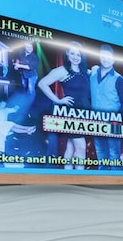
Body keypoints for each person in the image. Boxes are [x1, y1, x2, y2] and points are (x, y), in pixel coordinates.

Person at [37, 41, 91, 169]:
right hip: (71, 114)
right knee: (81, 147)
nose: (75, 57)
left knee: (71, 147)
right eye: (72, 53)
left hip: (84, 113)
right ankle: (80, 177)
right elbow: (42, 83)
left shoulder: (85, 71)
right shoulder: (62, 71)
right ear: (67, 54)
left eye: (78, 54)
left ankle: (67, 174)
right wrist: (58, 100)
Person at [89, 44, 123, 166]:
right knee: (100, 153)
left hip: (113, 123)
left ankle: (115, 177)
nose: (105, 59)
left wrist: (117, 120)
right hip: (96, 122)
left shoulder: (119, 79)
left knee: (114, 154)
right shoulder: (92, 75)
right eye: (103, 56)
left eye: (109, 57)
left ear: (113, 59)